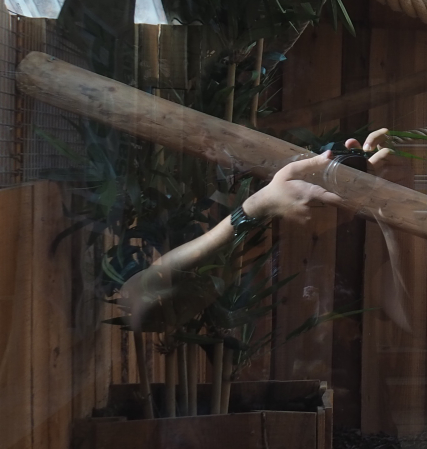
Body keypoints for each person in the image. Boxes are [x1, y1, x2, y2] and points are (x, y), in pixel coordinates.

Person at [119, 130, 398, 332]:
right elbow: (137, 307)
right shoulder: (205, 211)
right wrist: (256, 208)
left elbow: (405, 319)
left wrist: (390, 209)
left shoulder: (337, 246)